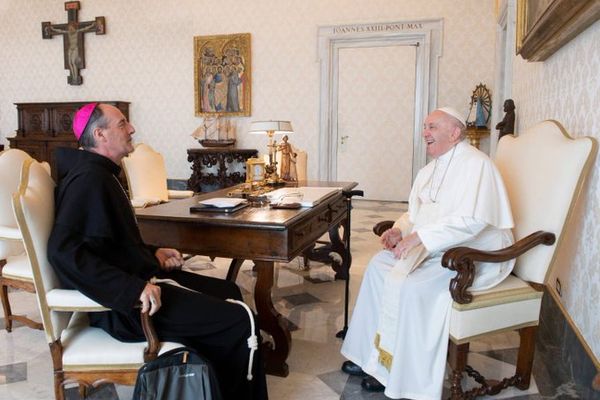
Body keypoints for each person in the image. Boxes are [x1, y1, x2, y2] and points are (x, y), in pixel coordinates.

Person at [47, 103, 268, 400]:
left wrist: (152, 254)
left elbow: (110, 245)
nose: (132, 128)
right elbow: (64, 252)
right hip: (125, 307)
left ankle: (214, 388)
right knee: (239, 321)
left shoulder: (100, 173)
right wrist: (132, 289)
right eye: (123, 123)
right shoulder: (88, 180)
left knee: (230, 290)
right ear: (100, 134)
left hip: (138, 285)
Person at [340, 107, 514, 399]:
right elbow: (415, 214)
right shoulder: (428, 171)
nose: (424, 133)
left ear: (455, 132)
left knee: (412, 286)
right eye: (424, 127)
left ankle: (402, 373)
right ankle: (372, 357)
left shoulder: (476, 165)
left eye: (432, 127)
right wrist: (399, 230)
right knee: (378, 267)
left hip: (473, 254)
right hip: (439, 247)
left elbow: (474, 221)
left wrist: (420, 238)